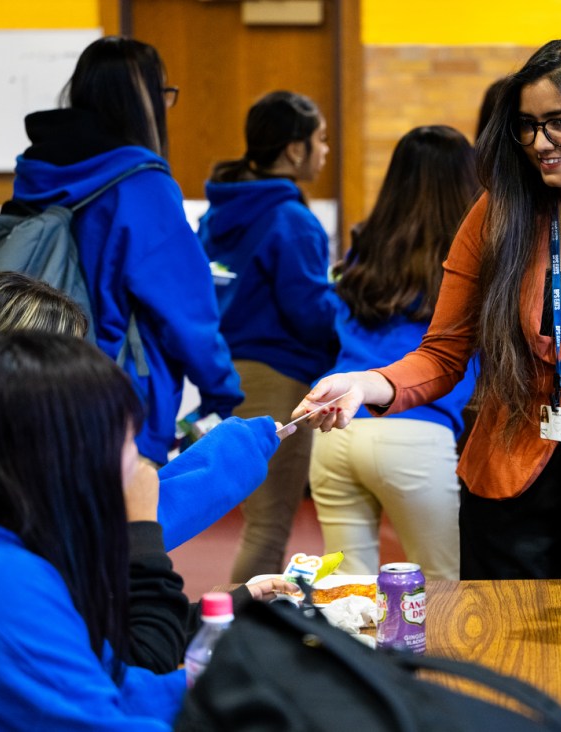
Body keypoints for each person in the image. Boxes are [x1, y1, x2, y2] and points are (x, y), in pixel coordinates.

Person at [296, 37, 561, 580]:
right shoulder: (497, 215)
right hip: (512, 474)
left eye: (559, 123)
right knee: (506, 648)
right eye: (526, 126)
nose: (539, 143)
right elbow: (442, 353)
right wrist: (365, 384)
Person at [0, 270, 295, 674]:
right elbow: (135, 668)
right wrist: (140, 528)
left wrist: (216, 611)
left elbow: (92, 640)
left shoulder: (16, 498)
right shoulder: (9, 552)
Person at [8, 36, 242, 467]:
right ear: (145, 102)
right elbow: (185, 310)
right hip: (116, 400)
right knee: (127, 532)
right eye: (165, 94)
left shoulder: (37, 173)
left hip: (30, 381)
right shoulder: (141, 186)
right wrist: (222, 389)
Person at [0, 332, 187, 729]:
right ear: (73, 457)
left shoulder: (2, 552)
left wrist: (222, 682)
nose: (139, 462)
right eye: (129, 441)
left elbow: (107, 680)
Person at [309, 126, 479, 580]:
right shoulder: (469, 258)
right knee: (444, 590)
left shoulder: (366, 248)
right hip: (416, 433)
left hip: (337, 429)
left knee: (346, 595)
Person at [198, 90, 338, 582]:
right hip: (279, 377)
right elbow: (310, 313)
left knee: (260, 520)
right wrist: (352, 306)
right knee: (271, 525)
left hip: (233, 370)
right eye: (320, 140)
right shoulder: (291, 219)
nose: (325, 151)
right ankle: (232, 637)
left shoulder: (218, 214)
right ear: (294, 149)